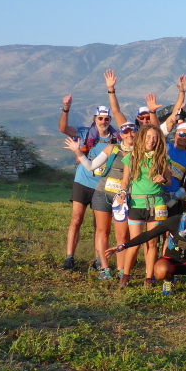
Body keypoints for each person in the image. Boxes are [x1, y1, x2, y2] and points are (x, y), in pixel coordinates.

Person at [107, 192, 186, 300]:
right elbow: (149, 234)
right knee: (160, 272)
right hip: (171, 262)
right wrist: (124, 245)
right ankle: (169, 280)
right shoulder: (175, 220)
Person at [63, 121, 135, 282]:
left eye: (133, 132)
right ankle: (104, 268)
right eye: (126, 132)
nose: (130, 135)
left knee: (122, 235)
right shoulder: (112, 148)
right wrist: (78, 152)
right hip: (103, 193)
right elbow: (91, 166)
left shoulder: (141, 153)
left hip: (123, 198)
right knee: (102, 231)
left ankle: (121, 270)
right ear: (121, 135)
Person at [57, 97, 121, 272]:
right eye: (100, 118)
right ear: (95, 118)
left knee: (99, 226)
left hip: (102, 185)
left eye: (106, 119)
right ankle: (69, 257)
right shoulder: (84, 133)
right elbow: (63, 129)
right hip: (83, 181)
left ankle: (98, 259)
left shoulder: (116, 139)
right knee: (76, 218)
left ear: (110, 120)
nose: (103, 121)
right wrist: (66, 108)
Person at [121, 124, 173, 288]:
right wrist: (121, 193)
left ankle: (149, 277)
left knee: (152, 242)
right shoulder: (132, 157)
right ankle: (125, 275)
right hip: (136, 203)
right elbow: (125, 180)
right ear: (142, 137)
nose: (151, 140)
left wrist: (163, 179)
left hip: (156, 204)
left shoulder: (162, 158)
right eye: (148, 137)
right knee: (135, 242)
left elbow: (169, 181)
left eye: (155, 137)